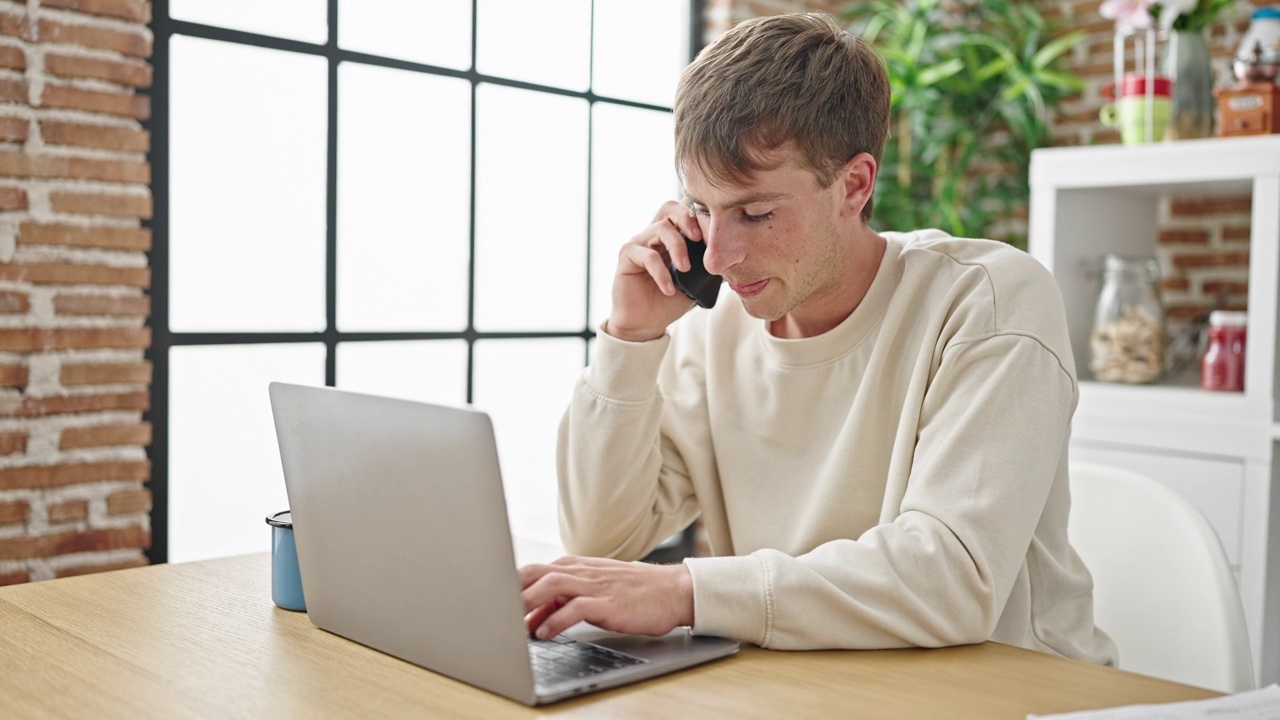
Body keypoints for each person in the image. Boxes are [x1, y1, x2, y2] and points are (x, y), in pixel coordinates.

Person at [518, 11, 1116, 665]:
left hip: (1006, 694)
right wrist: (630, 338)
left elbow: (951, 578)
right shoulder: (715, 328)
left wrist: (687, 591)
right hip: (809, 684)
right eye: (699, 208)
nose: (716, 256)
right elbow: (601, 540)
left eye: (755, 212)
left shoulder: (988, 301)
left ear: (854, 185)